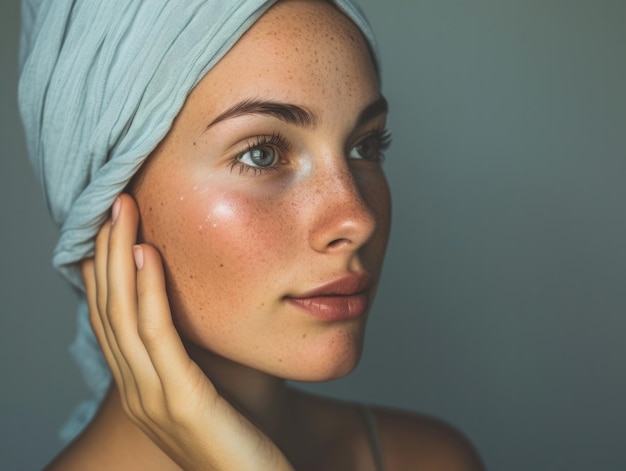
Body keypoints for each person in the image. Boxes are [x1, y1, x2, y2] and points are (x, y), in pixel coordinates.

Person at [19, 0, 484, 469]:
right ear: (104, 198)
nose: (357, 219)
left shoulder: (430, 460)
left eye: (365, 145)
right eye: (262, 154)